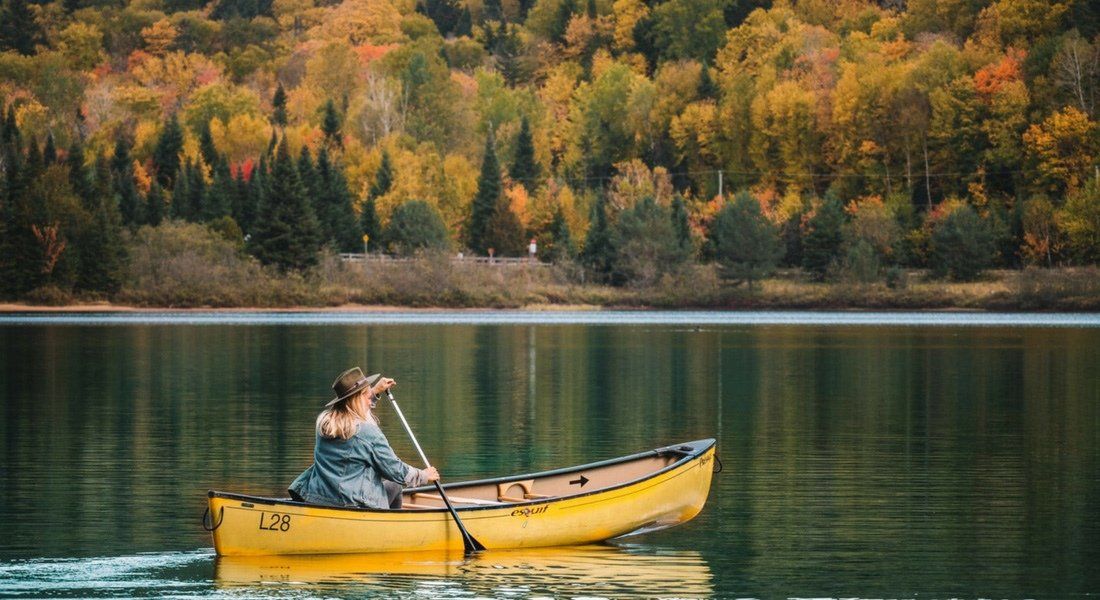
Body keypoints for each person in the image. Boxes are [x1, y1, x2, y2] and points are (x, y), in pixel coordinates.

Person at [288, 367, 440, 509]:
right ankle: (389, 525)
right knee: (395, 484)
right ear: (357, 399)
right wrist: (424, 475)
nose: (370, 400)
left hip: (319, 499)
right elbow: (395, 470)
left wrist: (375, 392)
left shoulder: (325, 423)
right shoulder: (367, 432)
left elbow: (354, 409)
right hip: (353, 504)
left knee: (391, 484)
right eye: (367, 396)